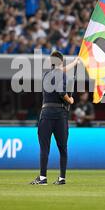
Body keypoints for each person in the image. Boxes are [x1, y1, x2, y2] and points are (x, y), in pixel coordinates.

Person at [31, 51, 80, 185]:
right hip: (60, 114)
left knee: (44, 147)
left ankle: (42, 178)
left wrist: (74, 63)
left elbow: (59, 73)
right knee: (63, 148)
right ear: (61, 62)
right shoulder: (62, 75)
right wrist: (69, 100)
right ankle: (62, 178)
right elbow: (61, 92)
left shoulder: (47, 75)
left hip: (46, 113)